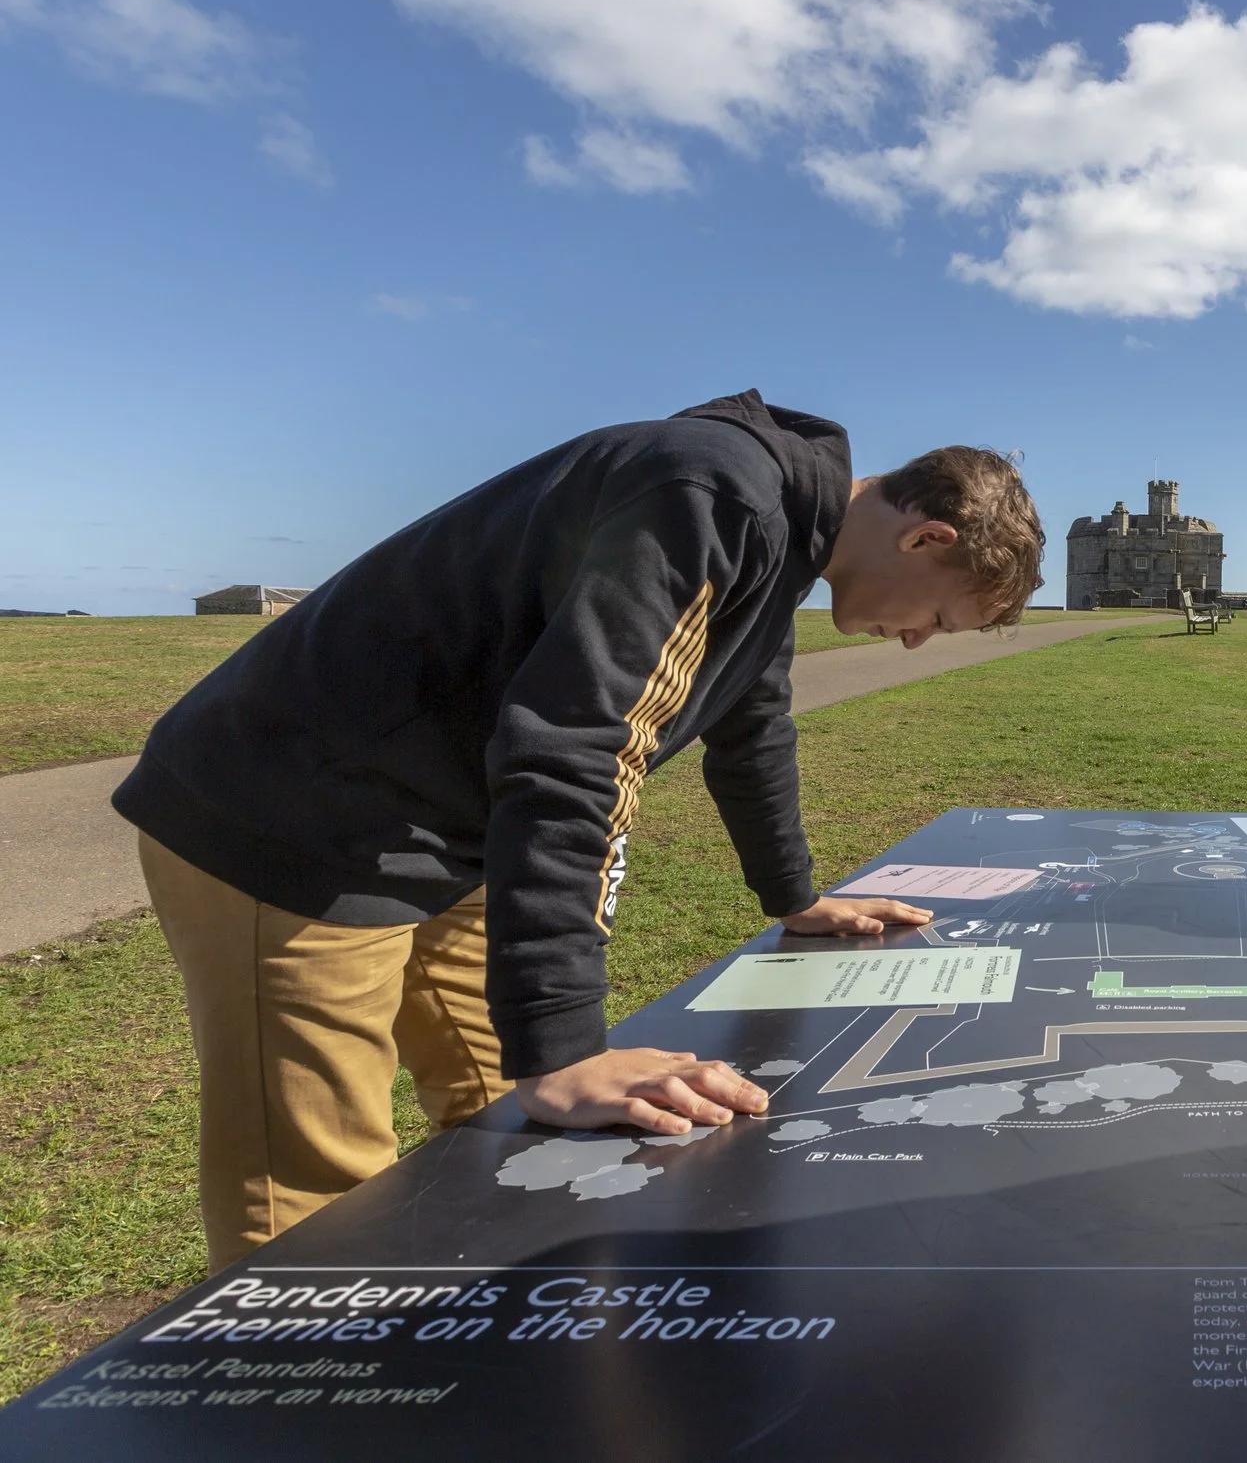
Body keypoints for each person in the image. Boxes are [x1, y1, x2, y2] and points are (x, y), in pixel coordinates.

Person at [113, 390, 1045, 1269]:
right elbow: (579, 749)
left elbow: (753, 728)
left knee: (517, 1140)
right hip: (293, 819)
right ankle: (294, 1418)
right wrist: (565, 1048)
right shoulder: (715, 493)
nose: (917, 639)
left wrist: (796, 897)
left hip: (446, 835)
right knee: (319, 1198)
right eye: (935, 616)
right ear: (926, 536)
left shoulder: (778, 541)